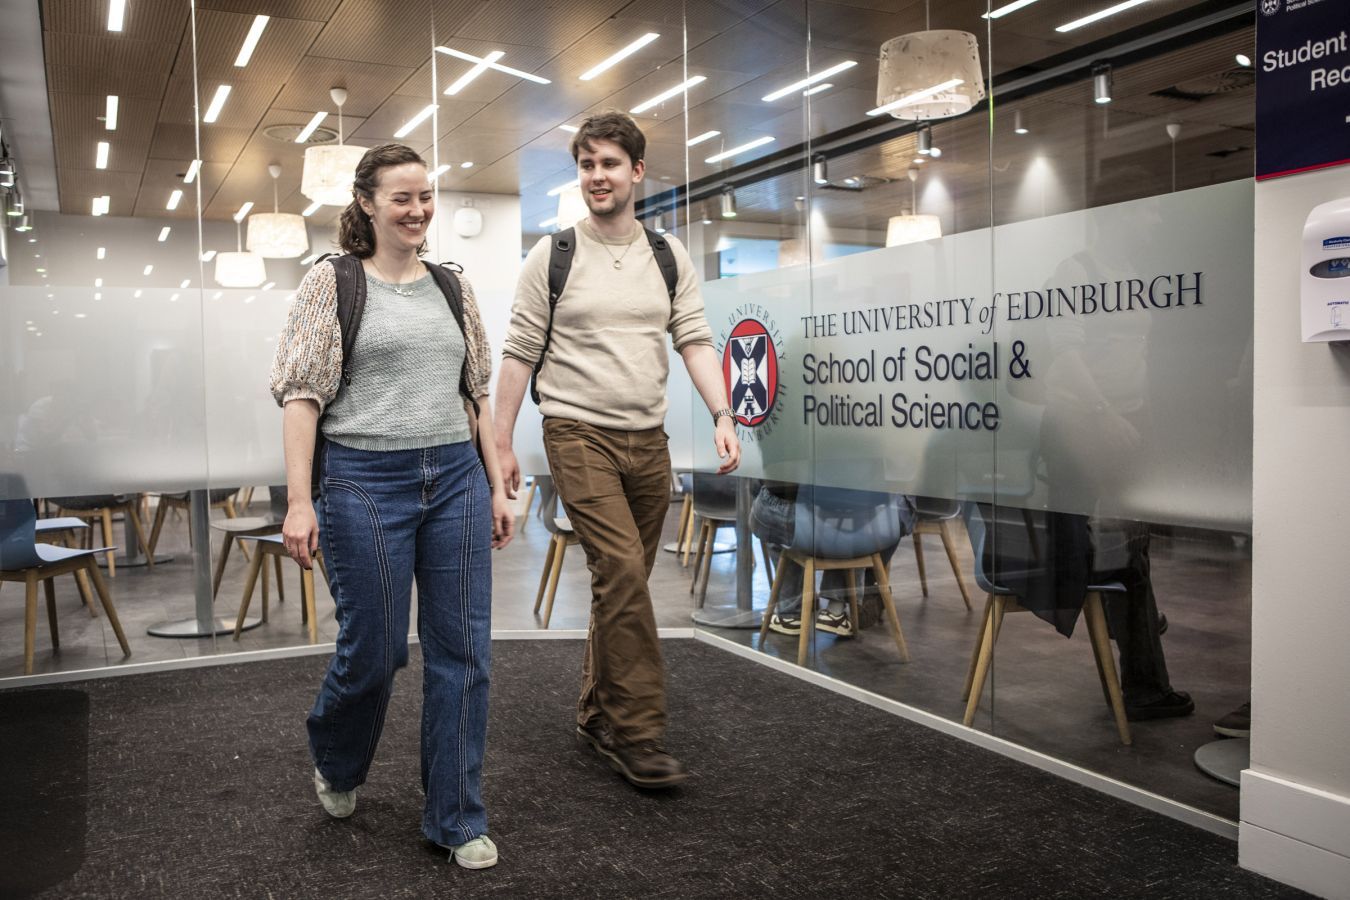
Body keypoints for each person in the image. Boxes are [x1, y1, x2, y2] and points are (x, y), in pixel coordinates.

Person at [270, 143, 513, 869]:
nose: (418, 210)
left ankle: (456, 818)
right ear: (367, 203)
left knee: (463, 652)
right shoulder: (332, 284)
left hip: (455, 479)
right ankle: (338, 759)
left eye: (426, 196)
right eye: (402, 198)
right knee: (374, 653)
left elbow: (476, 393)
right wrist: (299, 502)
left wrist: (497, 483)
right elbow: (301, 397)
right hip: (361, 481)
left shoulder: (452, 287)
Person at [493, 110, 741, 789]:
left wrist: (722, 411)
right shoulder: (553, 256)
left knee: (618, 582)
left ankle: (597, 712)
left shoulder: (667, 255)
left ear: (636, 172)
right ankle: (640, 732)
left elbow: (693, 335)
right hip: (576, 432)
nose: (596, 176)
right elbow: (517, 353)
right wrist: (500, 444)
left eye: (609, 164)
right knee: (626, 572)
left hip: (646, 440)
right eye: (586, 165)